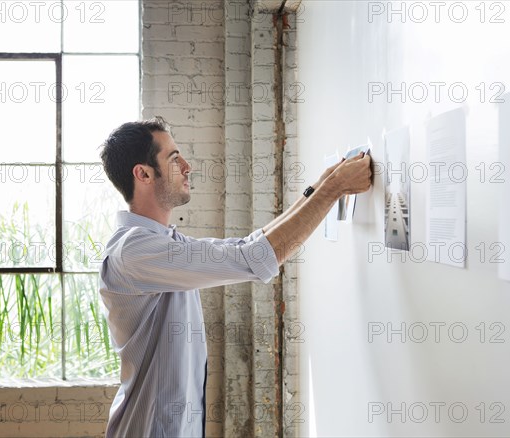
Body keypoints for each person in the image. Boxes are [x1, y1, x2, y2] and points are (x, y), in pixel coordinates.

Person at [98, 117, 372, 437]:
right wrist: (334, 188)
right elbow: (255, 258)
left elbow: (247, 246)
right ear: (143, 173)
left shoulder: (161, 242)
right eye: (174, 159)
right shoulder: (135, 250)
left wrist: (319, 187)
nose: (187, 167)